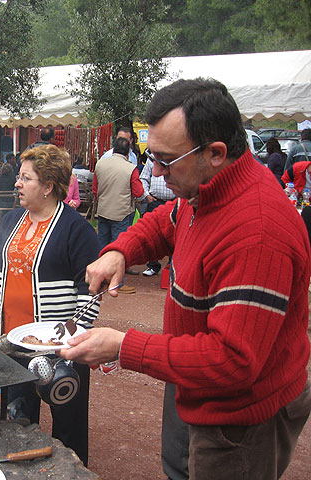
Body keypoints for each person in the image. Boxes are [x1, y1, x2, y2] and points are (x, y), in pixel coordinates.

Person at [59, 78, 311, 480]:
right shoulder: (205, 188)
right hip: (193, 382)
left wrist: (125, 346)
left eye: (165, 160)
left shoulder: (258, 232)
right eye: (153, 157)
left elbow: (233, 362)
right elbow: (167, 219)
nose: (156, 172)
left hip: (240, 417)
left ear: (215, 153)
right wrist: (121, 252)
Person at [0, 144, 101, 466]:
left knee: (66, 425)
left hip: (60, 350)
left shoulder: (76, 229)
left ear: (48, 186)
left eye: (25, 178)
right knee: (18, 418)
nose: (17, 184)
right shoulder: (12, 219)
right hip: (13, 342)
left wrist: (71, 337)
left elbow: (90, 289)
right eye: (18, 177)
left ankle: (70, 473)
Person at [93, 137, 143, 293]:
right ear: (128, 152)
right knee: (119, 248)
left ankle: (99, 278)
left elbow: (95, 189)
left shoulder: (100, 164)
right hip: (121, 212)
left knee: (102, 245)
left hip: (103, 210)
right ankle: (117, 282)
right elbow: (139, 192)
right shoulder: (130, 168)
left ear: (113, 149)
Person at [139, 156, 176, 276]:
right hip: (154, 201)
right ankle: (153, 266)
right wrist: (146, 195)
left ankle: (171, 266)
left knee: (174, 234)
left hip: (174, 201)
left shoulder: (177, 156)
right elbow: (143, 178)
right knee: (151, 234)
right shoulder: (151, 159)